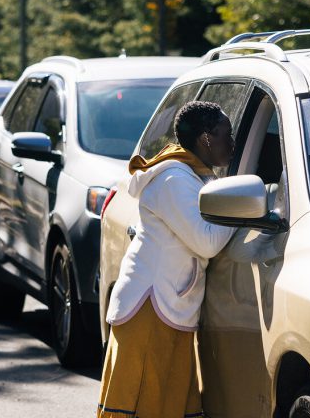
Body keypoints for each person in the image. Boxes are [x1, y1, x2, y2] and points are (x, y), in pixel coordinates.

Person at [98, 100, 236, 418]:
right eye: (226, 134)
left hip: (169, 308)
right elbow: (207, 242)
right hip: (151, 310)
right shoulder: (174, 180)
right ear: (205, 139)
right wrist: (237, 210)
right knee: (144, 404)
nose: (232, 143)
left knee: (167, 405)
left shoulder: (193, 177)